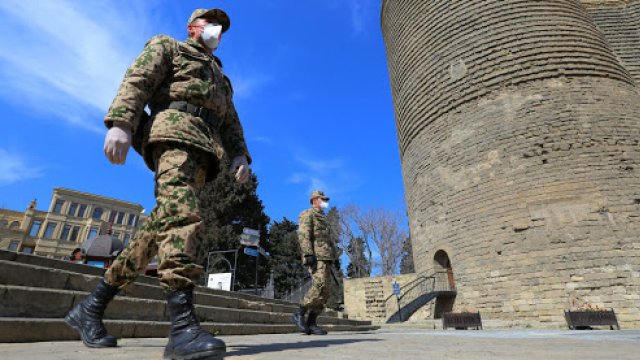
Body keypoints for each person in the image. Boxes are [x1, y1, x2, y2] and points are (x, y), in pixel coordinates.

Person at [64, 8, 251, 360]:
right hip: (172, 139)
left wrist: (239, 155)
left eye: (221, 28)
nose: (217, 31)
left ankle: (89, 308)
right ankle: (182, 329)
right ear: (193, 27)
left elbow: (231, 122)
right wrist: (121, 122)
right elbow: (138, 79)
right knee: (182, 220)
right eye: (212, 24)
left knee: (155, 233)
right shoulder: (169, 47)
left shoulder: (221, 79)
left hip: (204, 153)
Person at [292, 190, 338, 335]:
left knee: (325, 291)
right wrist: (308, 253)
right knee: (319, 286)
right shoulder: (308, 214)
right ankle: (299, 313)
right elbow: (304, 235)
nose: (325, 201)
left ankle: (312, 322)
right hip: (316, 257)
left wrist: (335, 258)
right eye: (323, 199)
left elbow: (329, 241)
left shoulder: (324, 219)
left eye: (325, 199)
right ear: (315, 200)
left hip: (326, 257)